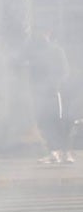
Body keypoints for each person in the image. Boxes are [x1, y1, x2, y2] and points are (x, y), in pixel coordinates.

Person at [26, 30, 73, 164]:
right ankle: (54, 152)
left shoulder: (57, 51)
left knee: (58, 121)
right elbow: (32, 73)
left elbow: (64, 71)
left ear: (49, 34)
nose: (41, 36)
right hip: (40, 93)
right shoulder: (35, 53)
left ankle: (65, 152)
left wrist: (55, 85)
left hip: (54, 92)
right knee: (44, 122)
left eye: (43, 33)